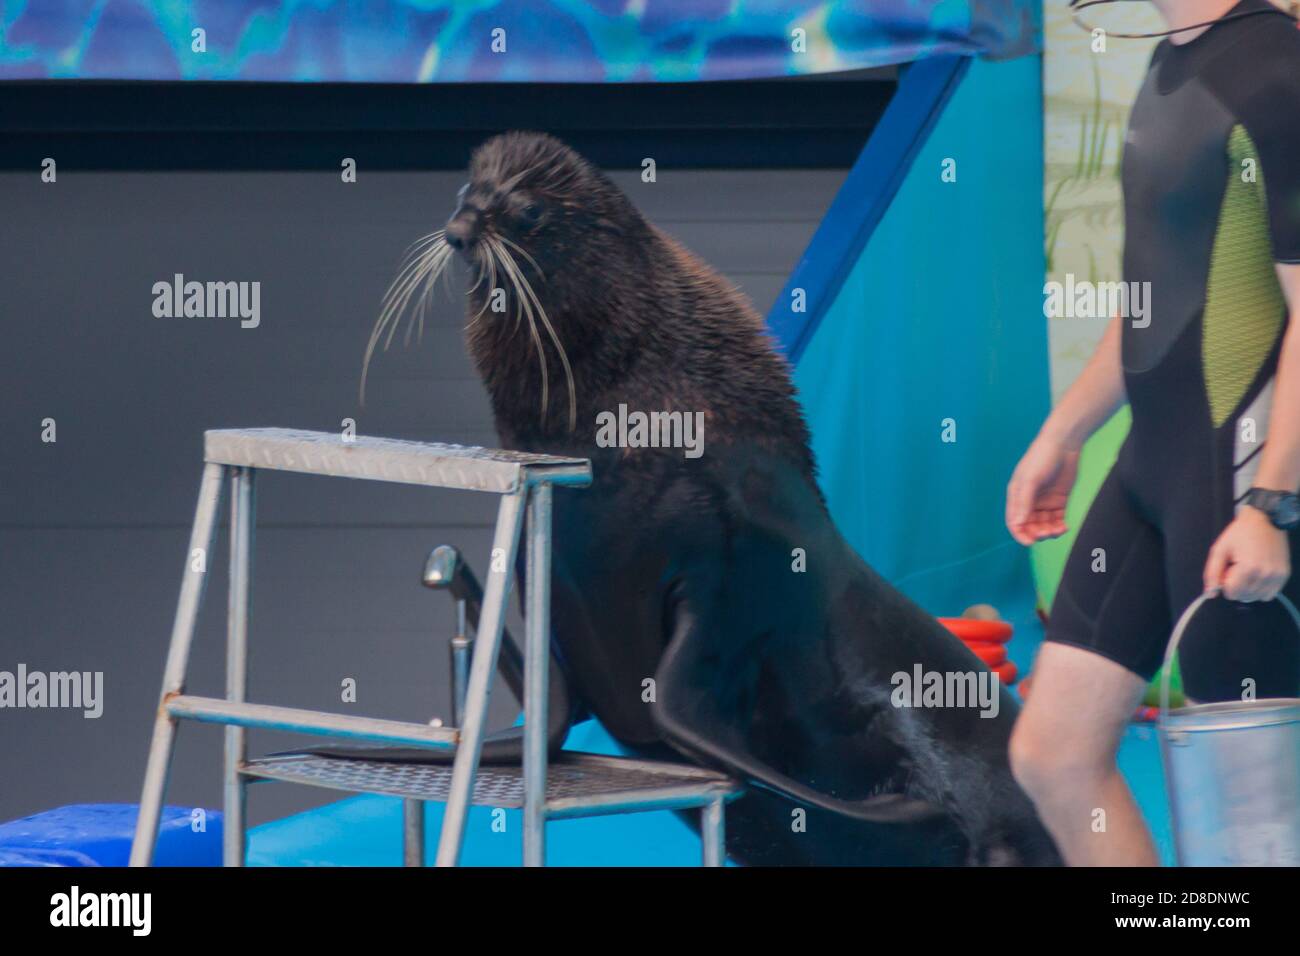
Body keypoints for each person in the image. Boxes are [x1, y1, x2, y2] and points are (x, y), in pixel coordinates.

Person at [1006, 0, 1300, 865]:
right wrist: (1065, 432)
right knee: (1054, 755)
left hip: (1239, 473)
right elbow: (1155, 294)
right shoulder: (1173, 57)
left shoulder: (1275, 71)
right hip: (1153, 466)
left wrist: (1271, 505)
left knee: (1251, 815)